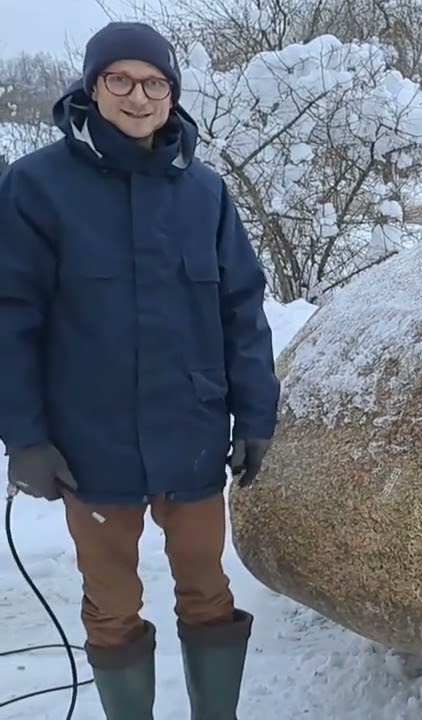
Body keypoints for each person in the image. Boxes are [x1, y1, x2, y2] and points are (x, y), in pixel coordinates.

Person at [0, 21, 279, 719]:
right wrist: (24, 436)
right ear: (92, 88)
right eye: (119, 79)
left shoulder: (204, 193)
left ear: (172, 94)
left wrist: (256, 416)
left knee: (209, 592)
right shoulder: (36, 187)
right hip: (91, 444)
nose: (137, 95)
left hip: (190, 433)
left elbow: (241, 312)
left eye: (154, 82)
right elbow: (11, 315)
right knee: (113, 603)